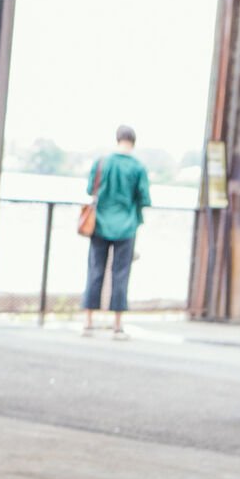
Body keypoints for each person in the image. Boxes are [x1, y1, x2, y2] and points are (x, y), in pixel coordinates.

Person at [82, 124, 151, 340]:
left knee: (95, 271)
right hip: (126, 227)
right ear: (133, 141)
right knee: (120, 274)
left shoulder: (102, 162)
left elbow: (89, 189)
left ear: (117, 139)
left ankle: (88, 322)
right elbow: (144, 198)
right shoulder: (138, 168)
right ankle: (117, 326)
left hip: (100, 224)